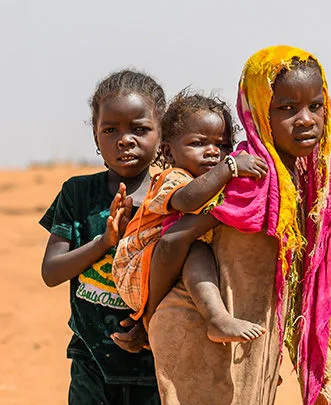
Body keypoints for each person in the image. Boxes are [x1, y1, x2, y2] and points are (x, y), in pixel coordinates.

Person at [146, 47, 331, 405]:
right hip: (202, 335)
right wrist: (146, 317)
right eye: (286, 108)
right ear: (260, 112)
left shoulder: (296, 178)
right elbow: (171, 240)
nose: (305, 119)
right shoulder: (248, 176)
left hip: (244, 344)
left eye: (315, 106)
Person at [39, 69, 176, 405]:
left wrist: (149, 326)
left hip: (160, 375)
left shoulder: (175, 196)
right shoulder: (79, 195)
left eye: (139, 129)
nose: (125, 140)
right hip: (93, 373)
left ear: (162, 132)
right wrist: (104, 242)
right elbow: (52, 270)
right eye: (110, 129)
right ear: (95, 136)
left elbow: (188, 273)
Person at [111, 91, 268, 353]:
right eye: (198, 143)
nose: (213, 152)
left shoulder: (212, 183)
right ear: (168, 152)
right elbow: (186, 201)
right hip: (135, 266)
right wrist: (229, 167)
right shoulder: (173, 177)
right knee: (197, 251)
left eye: (223, 145)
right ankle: (215, 318)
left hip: (163, 263)